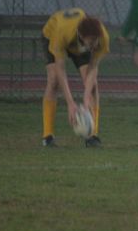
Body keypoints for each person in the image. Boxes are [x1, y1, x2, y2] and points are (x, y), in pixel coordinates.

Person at [41, 8, 110, 147]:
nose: (94, 45)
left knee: (92, 86)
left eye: (95, 41)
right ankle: (47, 136)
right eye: (91, 42)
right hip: (52, 35)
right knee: (54, 80)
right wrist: (70, 103)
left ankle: (92, 136)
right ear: (81, 36)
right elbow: (61, 69)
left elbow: (93, 68)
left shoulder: (102, 38)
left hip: (77, 43)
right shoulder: (62, 33)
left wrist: (85, 98)